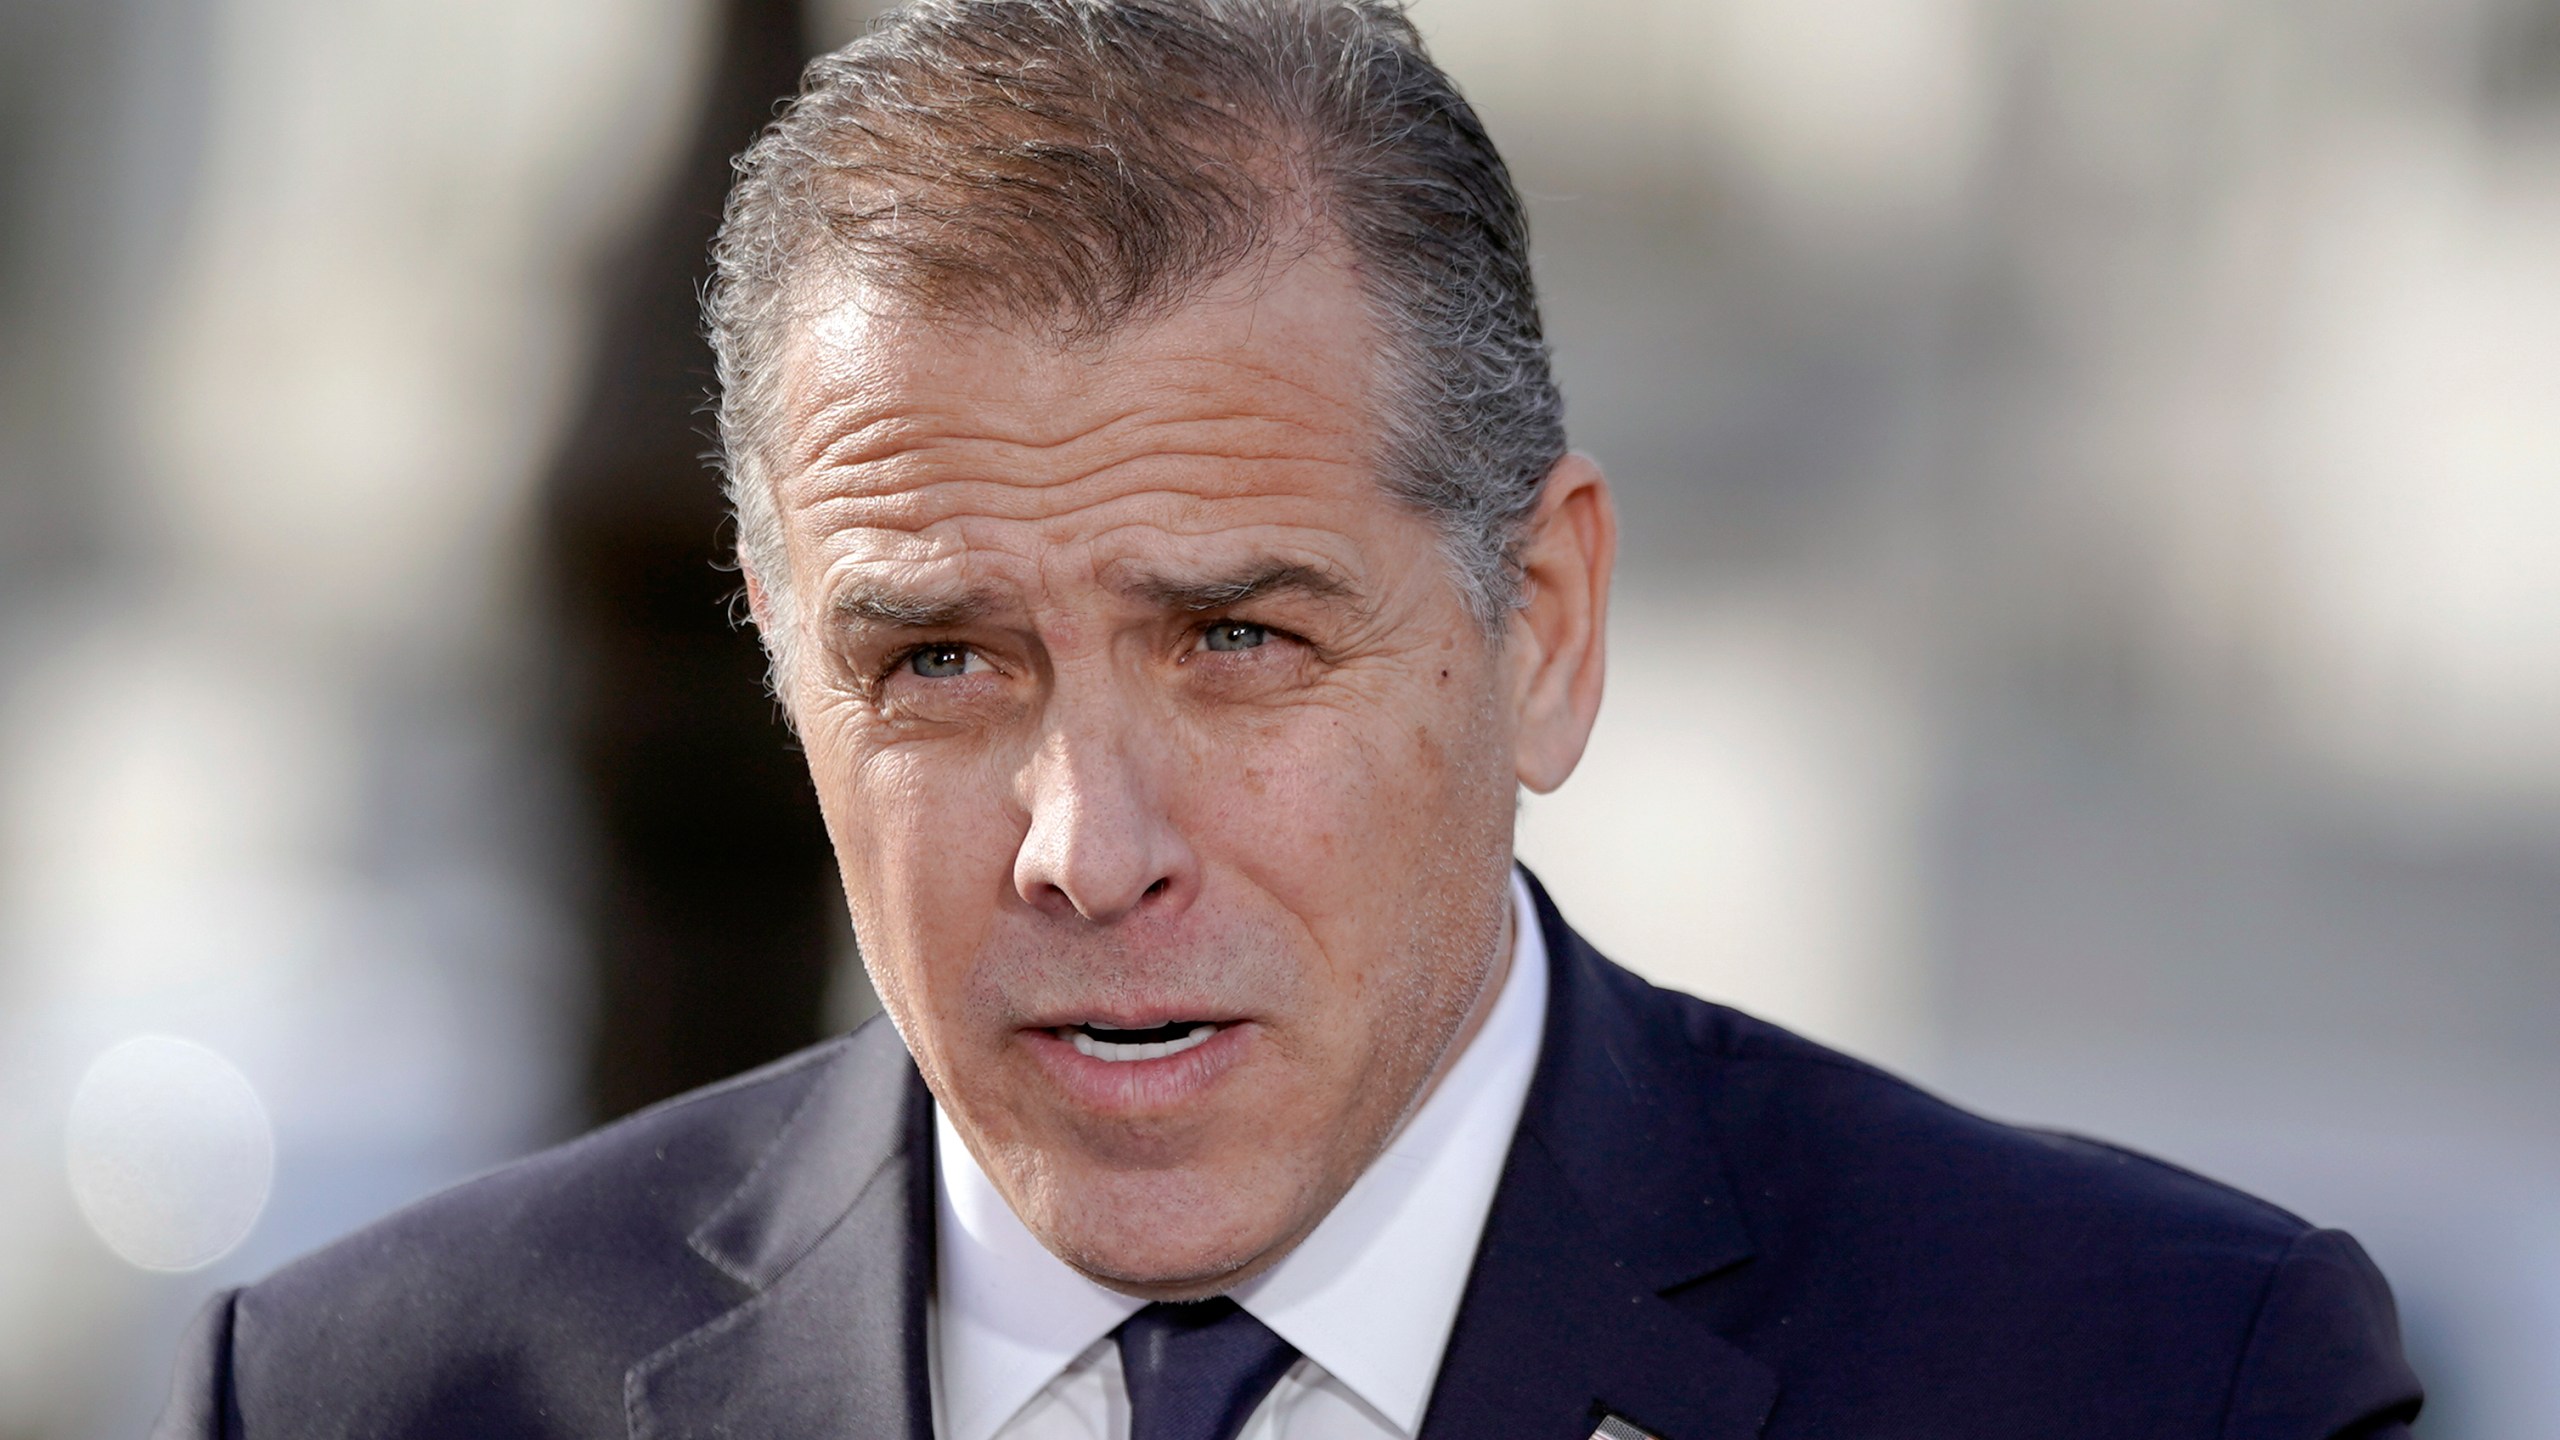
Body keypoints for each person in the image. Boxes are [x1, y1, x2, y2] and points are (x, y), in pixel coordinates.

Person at [156, 2, 2423, 1436]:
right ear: (780, 663)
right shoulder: (381, 1395)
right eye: (939, 662)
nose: (1084, 840)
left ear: (1536, 628)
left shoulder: (2141, 1379)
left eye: (1237, 642)